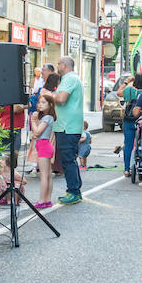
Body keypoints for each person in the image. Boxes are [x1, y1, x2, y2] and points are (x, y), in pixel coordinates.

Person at [51, 57, 85, 204]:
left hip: (67, 126)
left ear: (64, 65)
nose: (57, 66)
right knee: (69, 159)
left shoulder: (69, 79)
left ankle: (73, 191)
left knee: (67, 160)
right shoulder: (70, 78)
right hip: (67, 125)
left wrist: (50, 95)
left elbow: (61, 99)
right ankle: (75, 189)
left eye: (58, 64)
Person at [29, 92, 56, 208]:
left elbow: (37, 132)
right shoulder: (47, 117)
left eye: (43, 102)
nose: (40, 105)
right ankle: (47, 199)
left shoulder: (46, 118)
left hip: (44, 146)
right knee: (48, 175)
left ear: (50, 104)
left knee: (44, 175)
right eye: (39, 102)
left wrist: (33, 121)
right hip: (44, 145)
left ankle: (41, 201)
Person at [119, 72, 142, 173]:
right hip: (141, 122)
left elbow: (118, 92)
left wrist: (127, 81)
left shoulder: (128, 90)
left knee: (128, 145)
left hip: (128, 120)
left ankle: (127, 169)